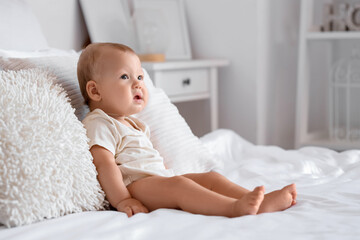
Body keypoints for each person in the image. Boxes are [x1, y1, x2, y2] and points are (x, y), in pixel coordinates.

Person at [77, 42, 297, 218]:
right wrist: (123, 200)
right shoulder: (100, 122)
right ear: (95, 91)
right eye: (125, 77)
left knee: (211, 178)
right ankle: (233, 208)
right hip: (136, 186)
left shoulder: (134, 124)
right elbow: (104, 164)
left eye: (140, 77)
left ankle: (258, 200)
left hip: (157, 179)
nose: (138, 84)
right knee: (180, 186)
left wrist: (161, 169)